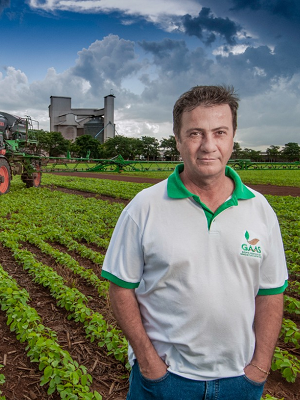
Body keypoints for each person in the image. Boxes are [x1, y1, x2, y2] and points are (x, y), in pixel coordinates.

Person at [101, 85, 288, 400]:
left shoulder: (259, 210)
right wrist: (149, 364)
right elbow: (121, 288)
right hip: (166, 380)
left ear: (232, 138)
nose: (208, 146)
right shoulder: (144, 207)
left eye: (219, 132)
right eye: (195, 133)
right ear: (177, 140)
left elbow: (270, 294)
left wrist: (260, 367)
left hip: (239, 382)